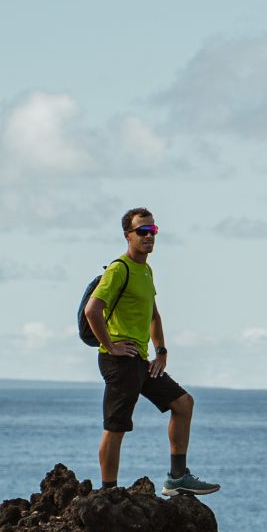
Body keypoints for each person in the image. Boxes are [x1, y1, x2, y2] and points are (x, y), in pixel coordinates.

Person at [83, 208, 219, 495]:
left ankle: (177, 477)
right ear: (128, 235)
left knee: (183, 404)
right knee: (116, 426)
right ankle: (108, 491)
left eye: (152, 231)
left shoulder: (145, 270)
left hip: (141, 359)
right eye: (142, 231)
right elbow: (92, 310)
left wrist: (161, 352)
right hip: (119, 360)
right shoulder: (120, 269)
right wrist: (111, 346)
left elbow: (154, 315)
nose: (148, 237)